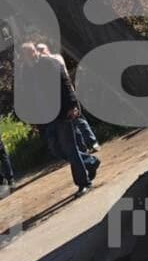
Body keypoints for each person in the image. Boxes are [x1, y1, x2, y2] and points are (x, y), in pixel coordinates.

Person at [22, 42, 98, 196]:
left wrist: (72, 105)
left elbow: (65, 83)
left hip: (62, 112)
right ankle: (90, 162)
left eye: (31, 52)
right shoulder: (26, 72)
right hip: (46, 117)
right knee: (56, 149)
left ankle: (84, 183)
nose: (30, 56)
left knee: (70, 148)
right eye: (25, 54)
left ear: (34, 52)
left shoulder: (49, 63)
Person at [36, 43, 99, 153]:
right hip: (59, 97)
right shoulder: (44, 63)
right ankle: (84, 147)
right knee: (72, 124)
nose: (40, 54)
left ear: (47, 50)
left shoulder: (55, 58)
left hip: (68, 93)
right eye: (39, 51)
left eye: (42, 50)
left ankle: (92, 142)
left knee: (78, 119)